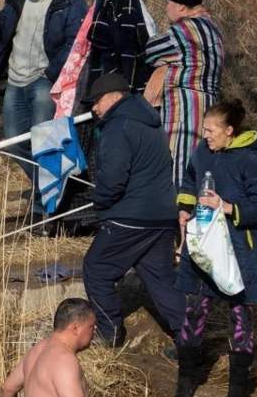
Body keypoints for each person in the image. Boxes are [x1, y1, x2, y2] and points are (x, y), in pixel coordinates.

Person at [0, 0, 88, 230]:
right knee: (13, 142)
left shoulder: (70, 3)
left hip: (44, 80)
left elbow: (77, 41)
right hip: (14, 79)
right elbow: (2, 34)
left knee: (43, 141)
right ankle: (54, 188)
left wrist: (51, 73)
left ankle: (45, 206)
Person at [173, 100, 257, 397]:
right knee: (195, 311)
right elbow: (190, 179)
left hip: (240, 249)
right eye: (204, 129)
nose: (205, 135)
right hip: (205, 245)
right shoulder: (203, 152)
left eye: (211, 130)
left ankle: (238, 389)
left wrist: (227, 207)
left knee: (240, 317)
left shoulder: (251, 160)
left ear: (230, 131)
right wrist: (184, 208)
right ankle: (186, 381)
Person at [80, 73, 187, 346]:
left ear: (115, 96)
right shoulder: (150, 122)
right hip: (162, 215)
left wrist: (99, 202)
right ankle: (190, 336)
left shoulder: (118, 126)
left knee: (97, 268)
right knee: (160, 279)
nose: (93, 107)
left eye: (97, 100)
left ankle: (110, 332)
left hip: (132, 216)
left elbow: (113, 178)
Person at [0, 298, 138, 397]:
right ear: (75, 328)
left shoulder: (37, 350)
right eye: (92, 326)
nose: (95, 330)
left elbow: (7, 388)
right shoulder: (64, 359)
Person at [144, 0, 224, 183]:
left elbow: (151, 51)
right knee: (203, 166)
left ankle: (182, 213)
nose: (166, 9)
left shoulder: (186, 29)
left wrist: (164, 61)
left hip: (185, 108)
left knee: (181, 166)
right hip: (209, 106)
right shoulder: (213, 28)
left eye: (168, 3)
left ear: (180, 6)